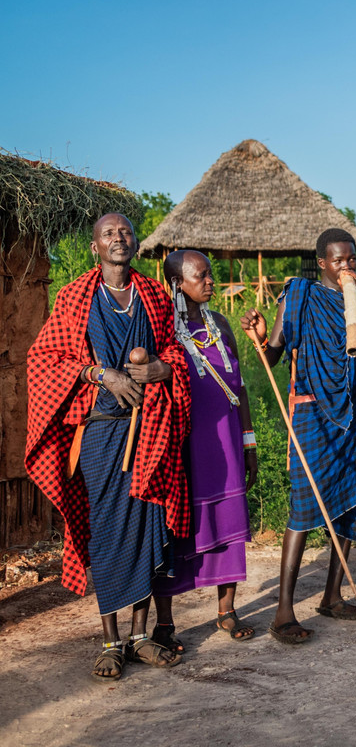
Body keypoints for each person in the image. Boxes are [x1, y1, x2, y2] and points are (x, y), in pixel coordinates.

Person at [25, 213, 190, 681]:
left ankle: (139, 638)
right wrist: (102, 374)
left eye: (125, 232)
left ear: (135, 242)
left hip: (150, 430)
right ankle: (109, 641)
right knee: (108, 533)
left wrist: (160, 369)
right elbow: (44, 359)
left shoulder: (155, 295)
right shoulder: (76, 297)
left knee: (144, 528)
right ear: (96, 246)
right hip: (99, 432)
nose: (119, 238)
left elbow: (175, 350)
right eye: (108, 234)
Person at [241, 228, 356, 645]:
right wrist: (262, 338)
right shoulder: (299, 294)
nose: (347, 267)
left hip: (353, 415)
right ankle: (283, 611)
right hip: (311, 413)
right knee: (303, 507)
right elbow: (277, 351)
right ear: (322, 262)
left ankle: (333, 596)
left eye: (351, 260)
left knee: (353, 500)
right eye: (338, 261)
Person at [151, 250, 257, 648]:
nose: (211, 282)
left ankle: (226, 610)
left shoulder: (222, 325)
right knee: (174, 527)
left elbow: (240, 389)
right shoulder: (162, 330)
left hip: (226, 444)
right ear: (178, 284)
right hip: (183, 448)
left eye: (211, 274)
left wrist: (249, 443)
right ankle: (165, 624)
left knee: (228, 521)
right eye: (202, 276)